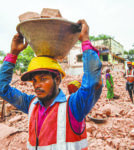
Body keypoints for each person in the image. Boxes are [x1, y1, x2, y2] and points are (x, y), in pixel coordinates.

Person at [0, 20, 103, 150]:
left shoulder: (73, 106)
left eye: (43, 78)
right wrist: (13, 53)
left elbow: (93, 82)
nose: (37, 85)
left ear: (57, 79)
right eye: (35, 80)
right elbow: (1, 88)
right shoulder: (31, 104)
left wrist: (85, 41)